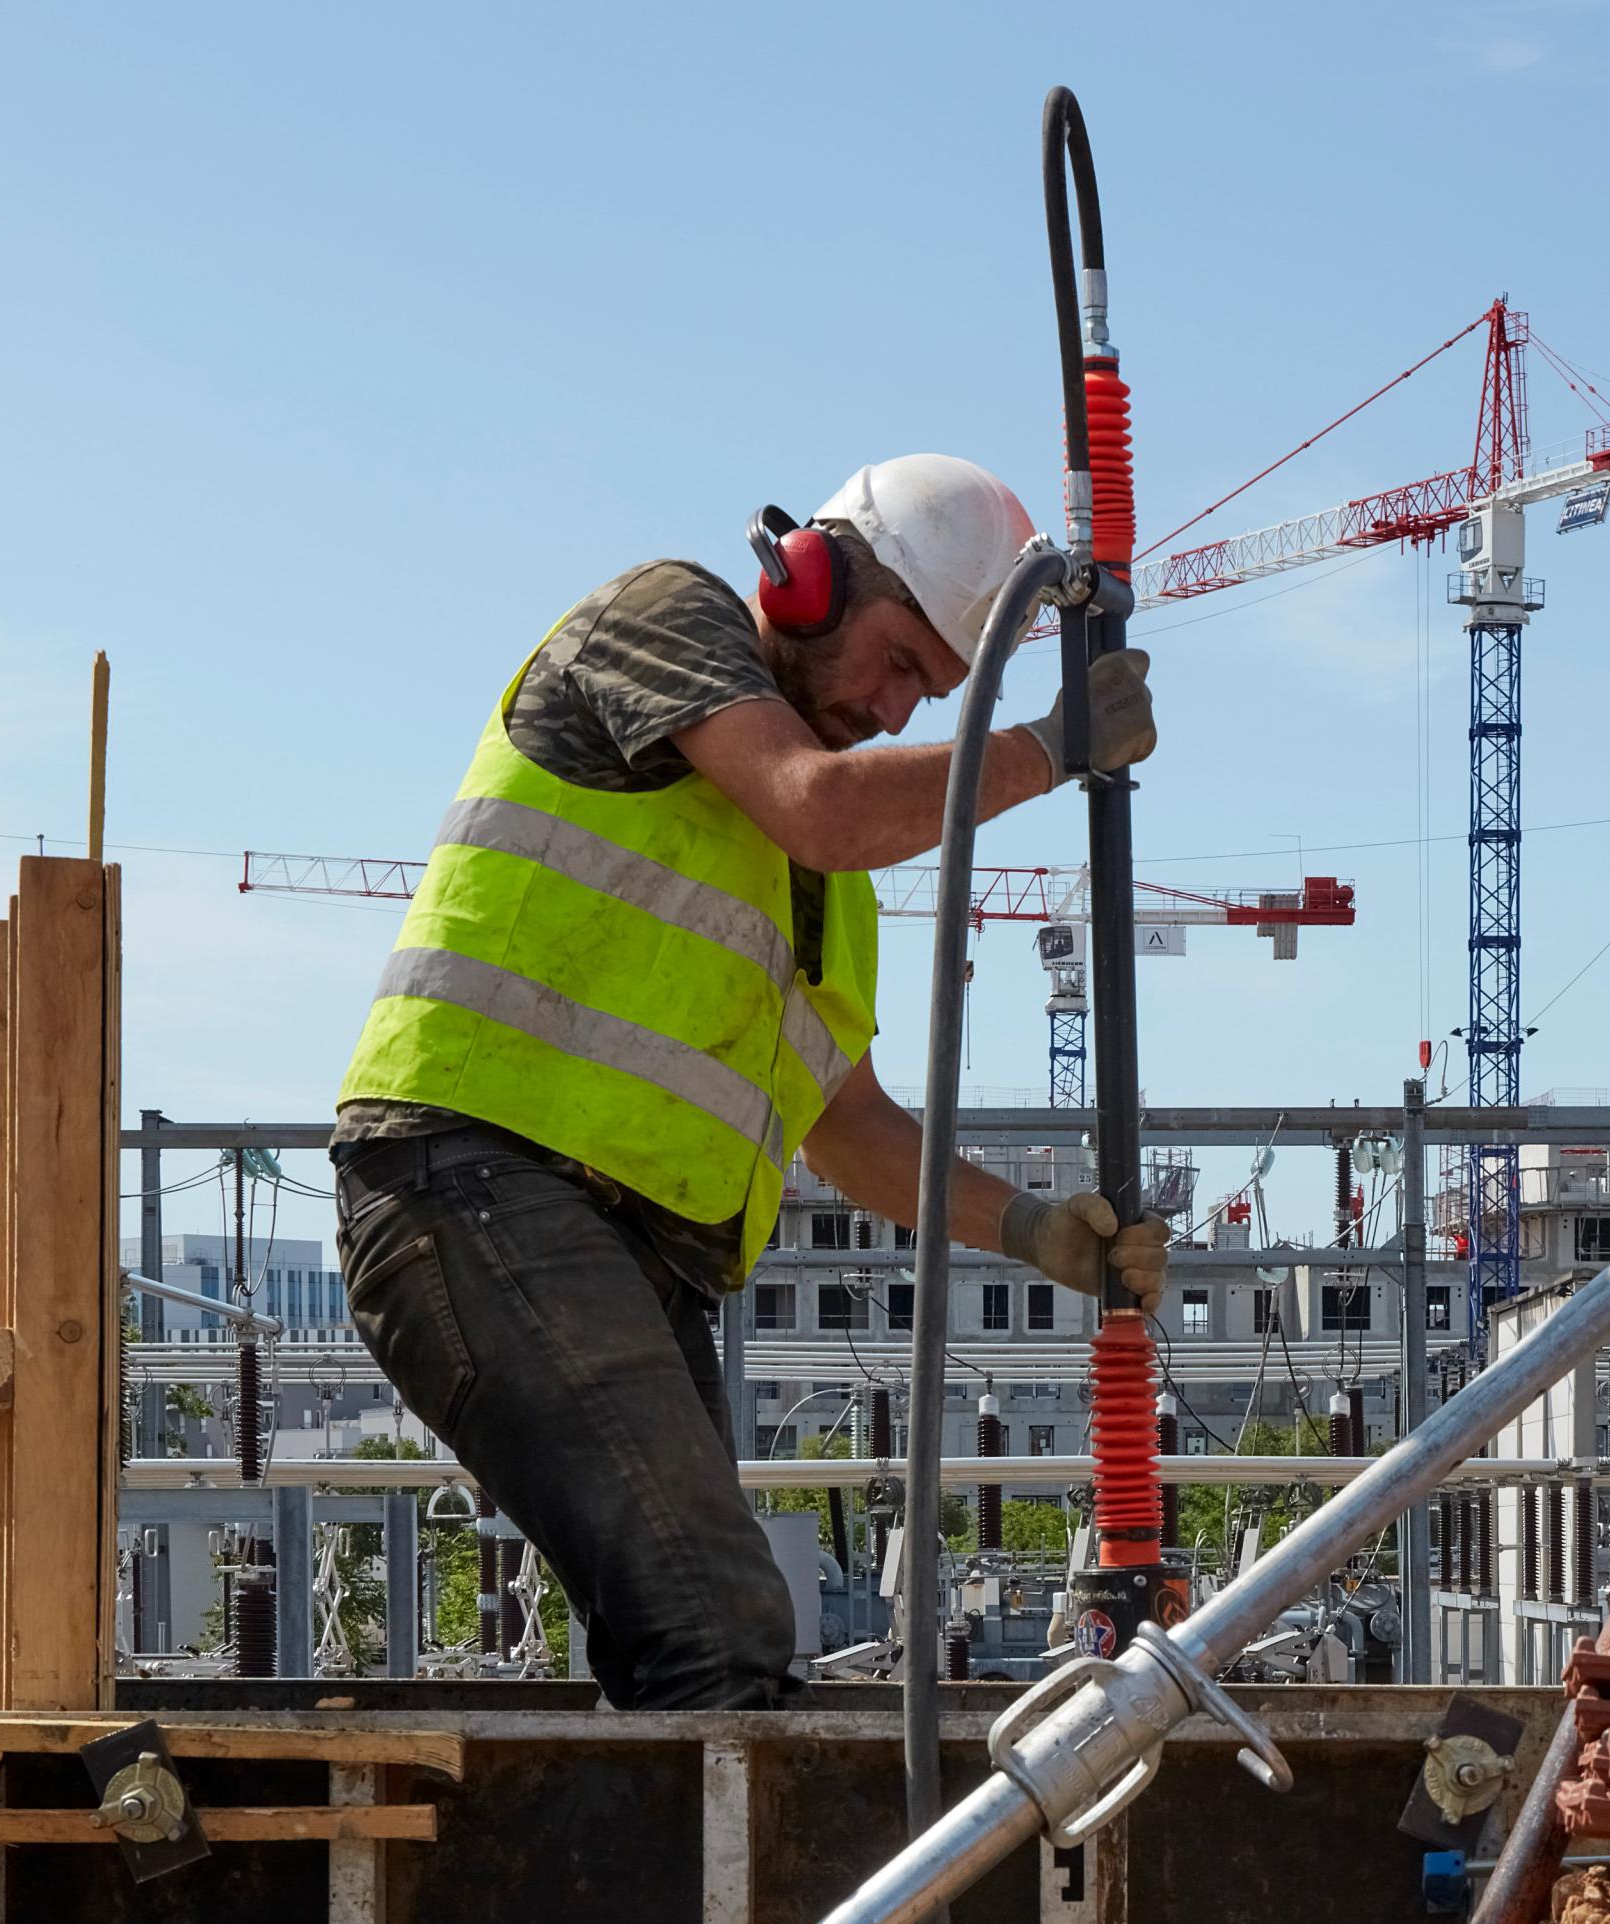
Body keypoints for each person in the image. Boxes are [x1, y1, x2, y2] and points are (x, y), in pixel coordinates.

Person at [332, 454, 1165, 1707]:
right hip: (473, 1182)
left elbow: (852, 1131)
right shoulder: (665, 617)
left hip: (617, 1252)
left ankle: (663, 1897)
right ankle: (699, 1908)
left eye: (928, 694)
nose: (897, 711)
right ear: (817, 580)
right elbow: (818, 803)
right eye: (899, 663)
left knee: (699, 1639)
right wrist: (1049, 748)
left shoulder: (831, 886)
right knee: (712, 1623)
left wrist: (1036, 1229)